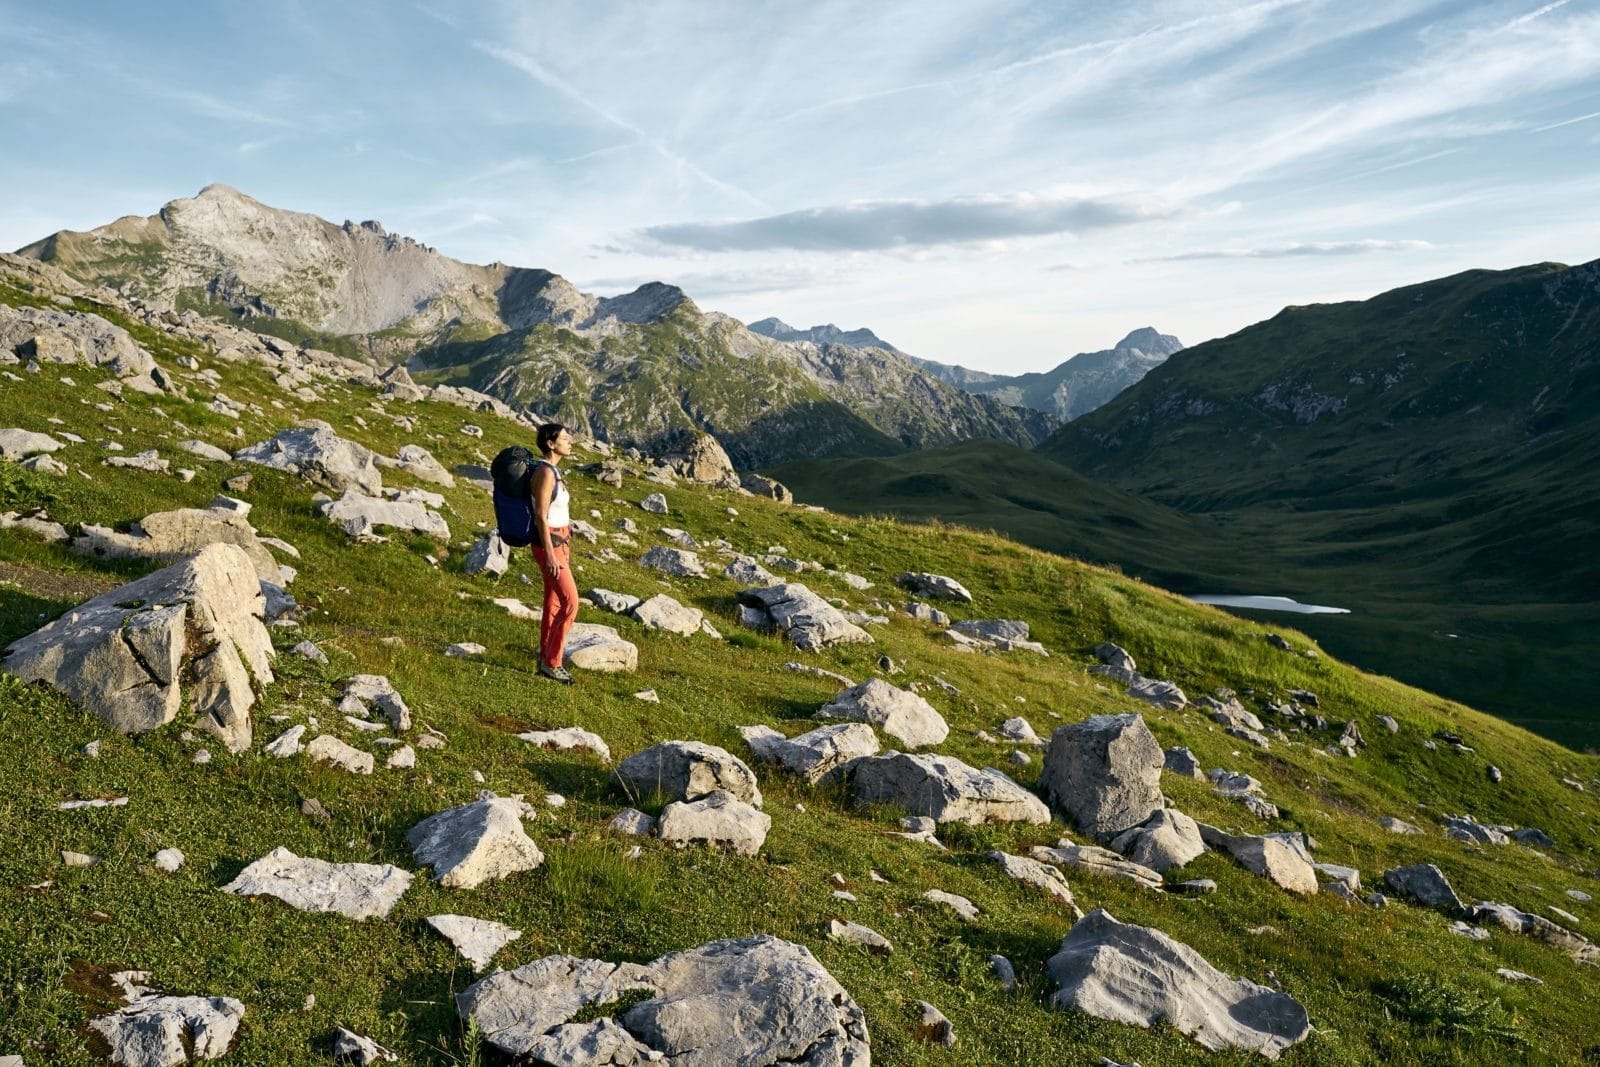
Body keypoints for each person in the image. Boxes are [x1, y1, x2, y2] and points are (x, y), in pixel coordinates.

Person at [529, 422, 578, 683]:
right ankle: (553, 662)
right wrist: (549, 554)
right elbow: (540, 516)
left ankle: (544, 654)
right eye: (564, 438)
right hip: (551, 545)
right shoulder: (546, 473)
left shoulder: (554, 471)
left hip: (561, 542)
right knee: (571, 603)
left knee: (554, 601)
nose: (570, 442)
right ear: (551, 443)